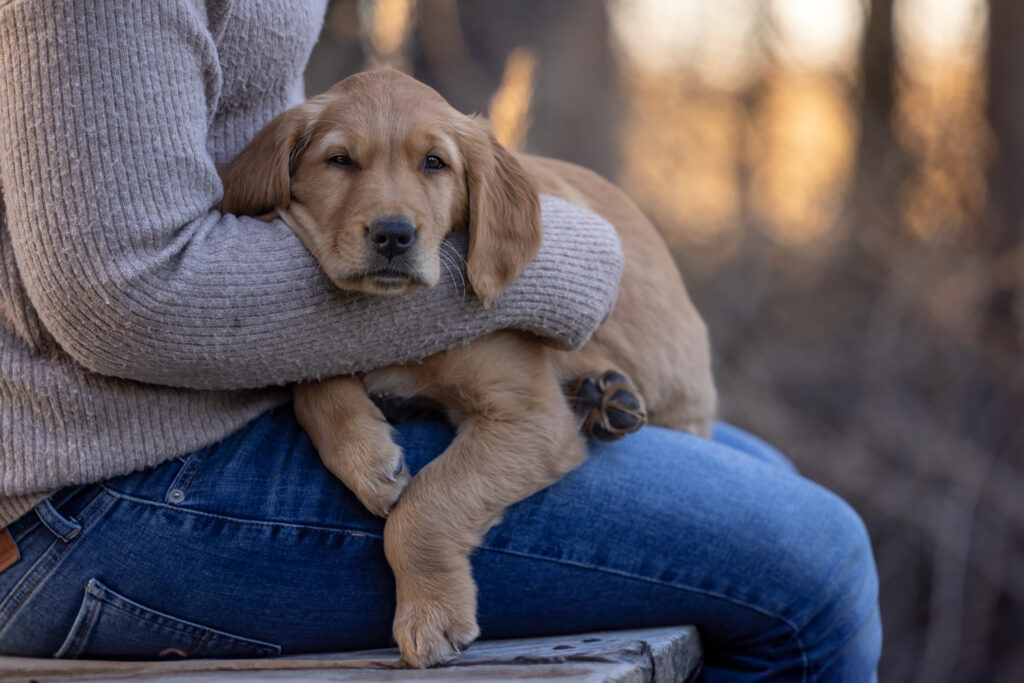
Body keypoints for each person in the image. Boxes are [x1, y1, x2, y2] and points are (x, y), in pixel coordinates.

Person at [0, 1, 881, 680]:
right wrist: (558, 257)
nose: (391, 206)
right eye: (340, 161)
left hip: (220, 400)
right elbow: (129, 293)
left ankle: (590, 388)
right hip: (89, 495)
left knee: (769, 474)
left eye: (430, 167)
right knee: (817, 563)